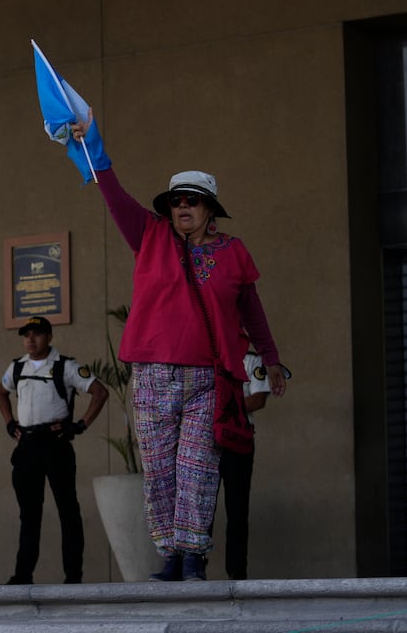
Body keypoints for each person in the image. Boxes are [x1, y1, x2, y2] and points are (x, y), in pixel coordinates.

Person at [67, 115, 287, 582]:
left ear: (211, 210)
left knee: (197, 469)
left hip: (209, 378)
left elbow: (253, 312)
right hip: (151, 375)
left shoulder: (233, 251)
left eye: (194, 201)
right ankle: (171, 556)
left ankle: (193, 557)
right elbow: (112, 192)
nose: (183, 207)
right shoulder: (148, 234)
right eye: (177, 201)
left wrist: (271, 360)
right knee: (160, 472)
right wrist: (95, 145)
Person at [0, 316, 109, 585]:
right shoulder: (17, 367)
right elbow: (0, 393)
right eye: (26, 335)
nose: (30, 340)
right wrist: (9, 422)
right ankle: (23, 575)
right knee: (29, 514)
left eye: (36, 334)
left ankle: (73, 576)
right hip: (27, 445)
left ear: (49, 336)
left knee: (68, 511)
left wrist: (79, 425)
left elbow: (99, 392)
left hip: (56, 444)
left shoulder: (65, 366)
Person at [216, 351, 288, 580]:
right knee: (200, 509)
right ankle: (195, 568)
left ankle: (236, 573)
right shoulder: (209, 356)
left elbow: (259, 399)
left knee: (237, 510)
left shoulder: (251, 360)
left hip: (238, 442)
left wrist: (222, 409)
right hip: (209, 442)